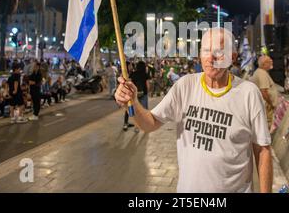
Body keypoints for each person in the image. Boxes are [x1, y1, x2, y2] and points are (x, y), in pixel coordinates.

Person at [115, 27, 273, 193]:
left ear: (232, 57)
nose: (211, 58)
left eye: (219, 51)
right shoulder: (185, 86)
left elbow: (262, 150)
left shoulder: (249, 93)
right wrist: (132, 102)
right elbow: (150, 123)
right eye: (206, 50)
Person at [250, 55, 279, 129]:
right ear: (264, 64)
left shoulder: (260, 72)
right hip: (266, 106)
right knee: (266, 126)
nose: (271, 63)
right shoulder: (262, 73)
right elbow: (264, 92)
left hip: (263, 105)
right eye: (269, 62)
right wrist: (271, 103)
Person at [123, 61, 151, 132]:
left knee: (135, 111)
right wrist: (148, 91)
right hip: (143, 94)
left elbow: (130, 83)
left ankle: (136, 127)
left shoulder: (133, 74)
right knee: (144, 110)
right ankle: (146, 125)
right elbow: (147, 85)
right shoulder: (145, 74)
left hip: (134, 94)